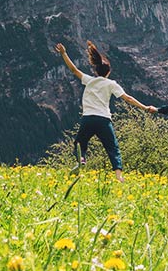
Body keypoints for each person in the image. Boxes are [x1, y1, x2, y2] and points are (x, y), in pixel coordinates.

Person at [56, 41, 151, 181]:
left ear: (96, 71)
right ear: (109, 72)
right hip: (103, 120)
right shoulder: (111, 84)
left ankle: (81, 160)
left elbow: (74, 69)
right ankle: (119, 177)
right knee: (113, 148)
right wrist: (145, 107)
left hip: (88, 119)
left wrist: (64, 53)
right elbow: (128, 98)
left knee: (79, 143)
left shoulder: (89, 80)